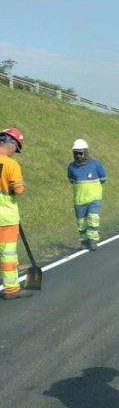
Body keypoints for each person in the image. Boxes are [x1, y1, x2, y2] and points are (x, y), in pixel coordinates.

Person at [0, 128, 31, 299]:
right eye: (16, 149)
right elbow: (18, 190)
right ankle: (11, 289)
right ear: (11, 145)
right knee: (8, 254)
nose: (14, 153)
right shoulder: (11, 165)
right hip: (6, 218)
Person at [67, 139, 107, 251]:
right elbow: (71, 180)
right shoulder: (71, 167)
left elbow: (103, 178)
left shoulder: (96, 164)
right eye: (76, 153)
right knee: (81, 222)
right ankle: (84, 241)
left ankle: (93, 241)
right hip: (79, 200)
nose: (78, 156)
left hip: (94, 198)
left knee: (93, 218)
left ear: (86, 152)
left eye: (80, 153)